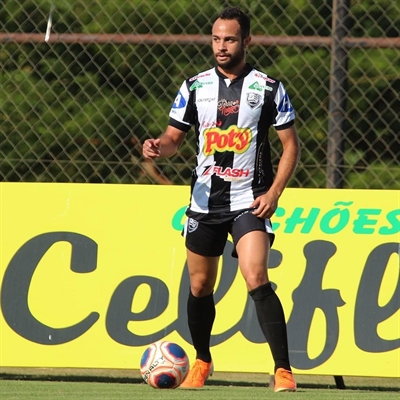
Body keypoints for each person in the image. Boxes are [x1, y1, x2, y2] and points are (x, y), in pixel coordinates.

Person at [142, 6, 300, 393]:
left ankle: (283, 371)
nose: (221, 46)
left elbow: (291, 145)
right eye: (216, 39)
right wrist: (157, 147)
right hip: (204, 204)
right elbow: (173, 139)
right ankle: (202, 360)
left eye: (229, 39)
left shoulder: (268, 88)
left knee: (256, 275)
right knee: (200, 286)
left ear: (246, 41)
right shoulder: (195, 87)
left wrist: (274, 193)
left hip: (250, 201)